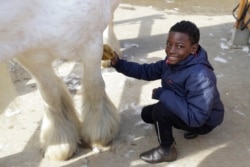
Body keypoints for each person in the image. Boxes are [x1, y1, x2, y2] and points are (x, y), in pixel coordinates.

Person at [109, 20, 224, 164]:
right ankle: (168, 121)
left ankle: (167, 150)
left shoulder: (200, 77)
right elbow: (146, 71)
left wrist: (164, 95)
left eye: (179, 46)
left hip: (203, 121)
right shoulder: (172, 61)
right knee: (147, 114)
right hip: (187, 106)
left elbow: (197, 117)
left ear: (193, 49)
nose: (171, 50)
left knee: (160, 110)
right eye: (169, 44)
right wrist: (118, 63)